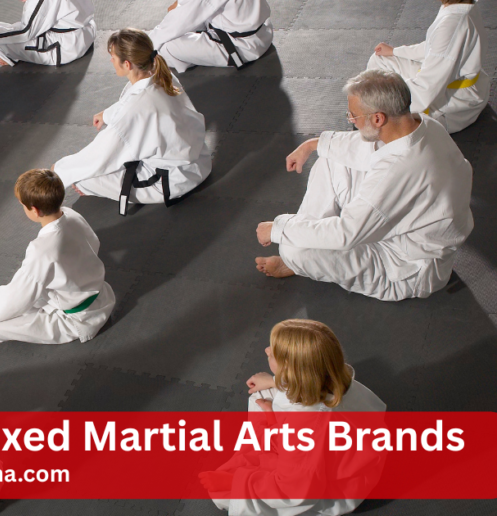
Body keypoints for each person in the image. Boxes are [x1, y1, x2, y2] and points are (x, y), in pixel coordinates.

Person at [255, 70, 473, 302]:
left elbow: (347, 233)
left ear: (378, 118)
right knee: (331, 160)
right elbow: (363, 147)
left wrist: (279, 229)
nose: (352, 121)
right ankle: (309, 243)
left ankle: (296, 261)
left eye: (353, 116)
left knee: (291, 249)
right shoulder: (423, 124)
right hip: (403, 226)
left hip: (406, 267)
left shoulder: (397, 170)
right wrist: (312, 144)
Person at [201, 319, 387, 515]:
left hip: (338, 487)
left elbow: (293, 489)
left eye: (273, 352)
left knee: (221, 494)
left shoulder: (306, 427)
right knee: (261, 394)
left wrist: (234, 482)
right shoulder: (336, 376)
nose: (266, 350)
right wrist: (273, 382)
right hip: (345, 456)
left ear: (290, 368)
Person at [54, 29, 211, 215]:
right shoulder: (161, 74)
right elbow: (134, 104)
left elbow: (102, 154)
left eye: (113, 57)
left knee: (81, 179)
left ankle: (85, 184)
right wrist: (108, 114)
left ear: (127, 64)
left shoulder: (136, 108)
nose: (111, 61)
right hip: (199, 159)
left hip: (171, 181)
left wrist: (59, 171)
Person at [0, 169, 115, 343]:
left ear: (34, 210)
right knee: (33, 288)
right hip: (101, 295)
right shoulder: (72, 215)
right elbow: (94, 242)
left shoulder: (42, 249)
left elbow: (18, 295)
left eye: (23, 205)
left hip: (77, 320)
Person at [367, 0, 488, 134]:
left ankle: (376, 112)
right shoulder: (463, 4)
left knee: (387, 117)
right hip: (458, 84)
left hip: (454, 102)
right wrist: (396, 52)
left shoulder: (451, 26)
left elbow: (426, 91)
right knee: (380, 60)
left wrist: (379, 103)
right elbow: (434, 49)